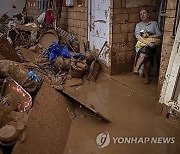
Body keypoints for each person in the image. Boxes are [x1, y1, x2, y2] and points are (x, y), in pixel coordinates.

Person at [134, 8, 162, 84]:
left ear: (148, 14)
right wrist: (147, 42)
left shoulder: (154, 23)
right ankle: (147, 78)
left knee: (147, 51)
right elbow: (138, 37)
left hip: (153, 45)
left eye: (144, 13)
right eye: (141, 14)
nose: (142, 15)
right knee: (146, 53)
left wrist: (150, 36)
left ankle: (137, 68)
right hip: (144, 45)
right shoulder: (138, 25)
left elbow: (159, 35)